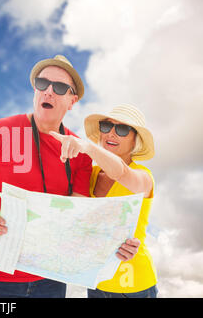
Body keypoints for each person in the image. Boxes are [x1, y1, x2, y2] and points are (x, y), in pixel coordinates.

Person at [0, 55, 93, 298]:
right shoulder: (0, 131)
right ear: (35, 90)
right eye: (43, 84)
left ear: (72, 101)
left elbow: (77, 211)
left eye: (60, 88)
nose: (49, 92)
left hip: (51, 278)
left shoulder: (81, 153)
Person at [50, 104, 158, 298]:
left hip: (135, 288)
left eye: (122, 129)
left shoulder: (143, 177)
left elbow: (121, 172)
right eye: (106, 127)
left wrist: (87, 147)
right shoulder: (88, 174)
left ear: (136, 141)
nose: (112, 134)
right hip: (97, 284)